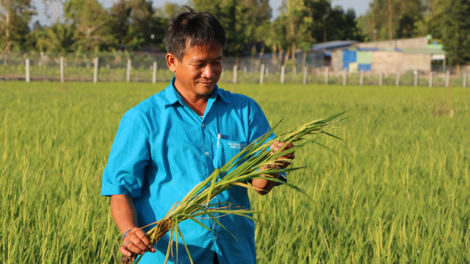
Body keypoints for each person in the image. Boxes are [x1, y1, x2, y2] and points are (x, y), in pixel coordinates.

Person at [101, 6, 295, 264]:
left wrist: (275, 164)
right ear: (172, 62)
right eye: (199, 64)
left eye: (216, 62)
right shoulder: (143, 118)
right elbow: (120, 188)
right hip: (171, 255)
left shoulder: (245, 111)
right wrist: (129, 231)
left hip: (232, 253)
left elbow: (260, 187)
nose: (209, 72)